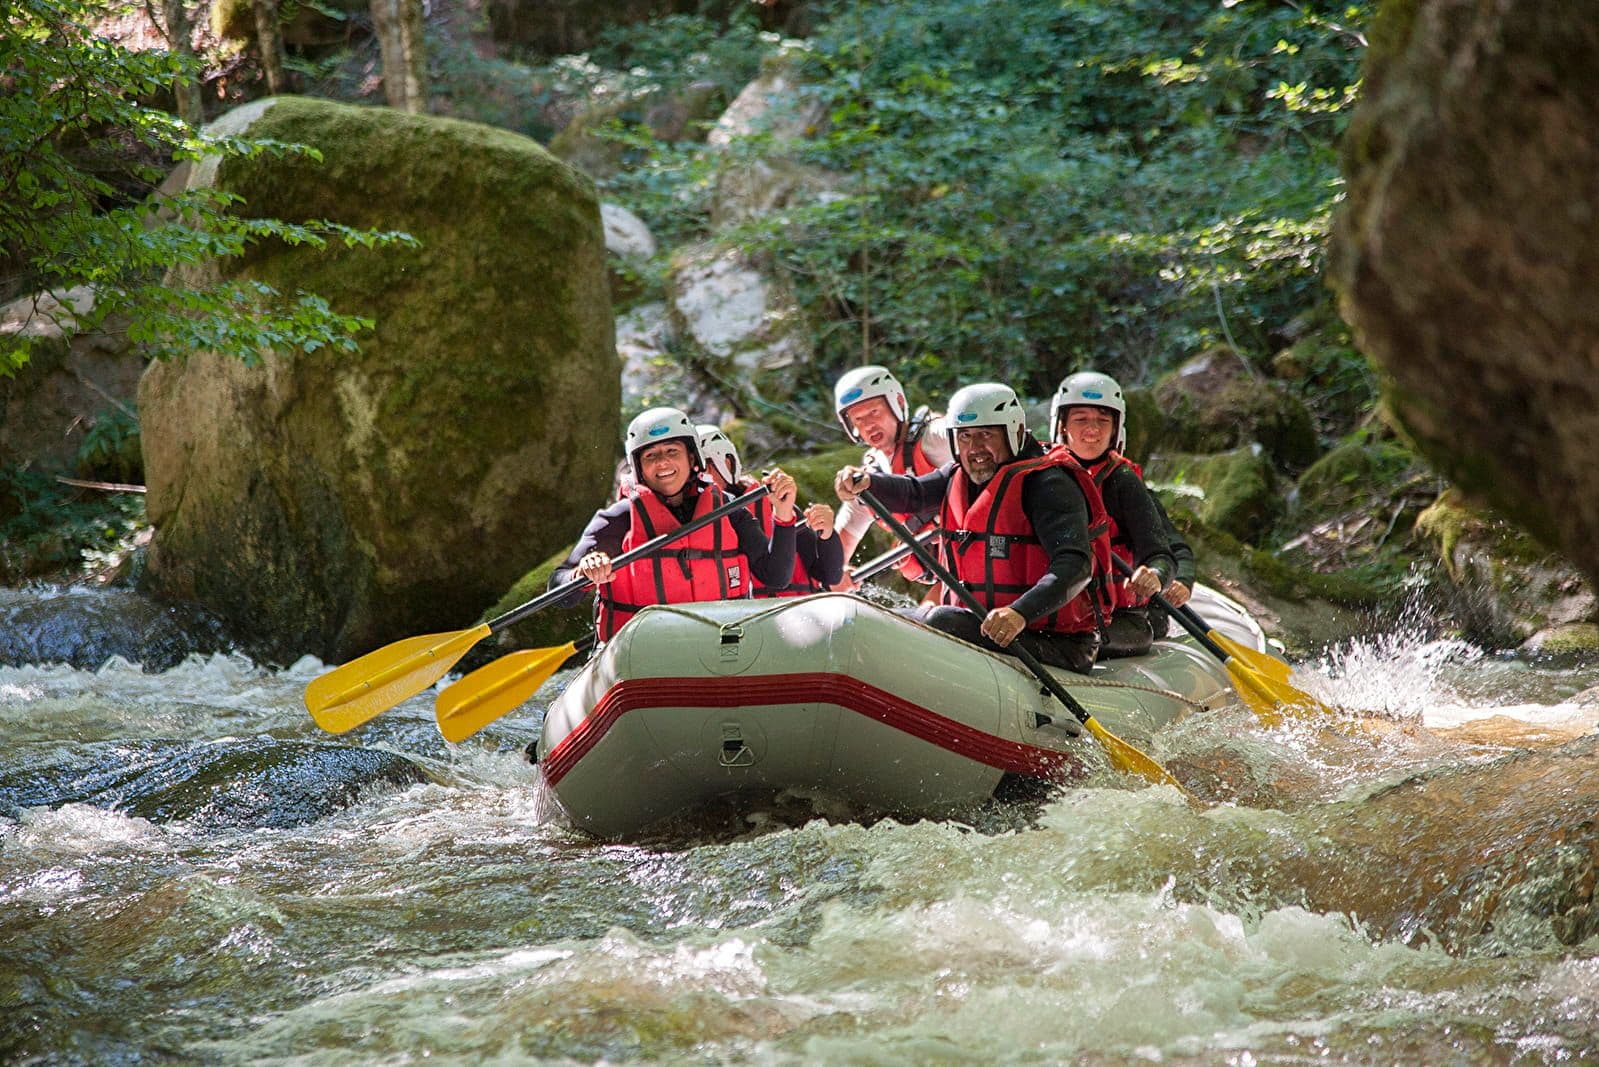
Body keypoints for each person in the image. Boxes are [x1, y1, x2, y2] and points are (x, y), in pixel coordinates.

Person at [835, 382, 1112, 673]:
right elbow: (913, 493)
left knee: (939, 620)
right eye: (965, 437)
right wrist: (868, 482)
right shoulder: (959, 474)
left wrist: (1020, 612)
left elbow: (1076, 565)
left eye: (986, 435)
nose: (975, 448)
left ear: (1014, 432)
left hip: (1059, 643)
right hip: (986, 627)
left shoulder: (1047, 484)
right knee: (877, 616)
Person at [550, 407, 800, 641]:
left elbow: (776, 576)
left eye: (672, 451)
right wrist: (580, 574)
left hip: (720, 642)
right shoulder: (619, 519)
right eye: (651, 456)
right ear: (639, 468)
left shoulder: (728, 510)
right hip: (644, 650)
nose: (662, 463)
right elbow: (559, 591)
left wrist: (784, 514)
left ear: (692, 458)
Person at [1050, 371, 1178, 658]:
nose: (1092, 430)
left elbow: (1161, 554)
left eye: (1102, 421)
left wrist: (1156, 575)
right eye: (1081, 420)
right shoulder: (1044, 476)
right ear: (1062, 425)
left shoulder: (1123, 481)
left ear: (1115, 428)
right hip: (1055, 610)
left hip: (1117, 616)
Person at [829, 365, 952, 594]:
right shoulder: (867, 477)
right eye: (858, 419)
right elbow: (840, 544)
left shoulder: (935, 437)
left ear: (898, 403)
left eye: (874, 412)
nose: (868, 425)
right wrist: (834, 572)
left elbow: (974, 436)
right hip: (944, 578)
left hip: (974, 561)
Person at [697, 424, 844, 597]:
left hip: (797, 612)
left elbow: (830, 576)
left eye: (703, 467)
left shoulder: (774, 503)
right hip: (742, 617)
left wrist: (827, 535)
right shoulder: (693, 515)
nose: (698, 477)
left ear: (726, 463)